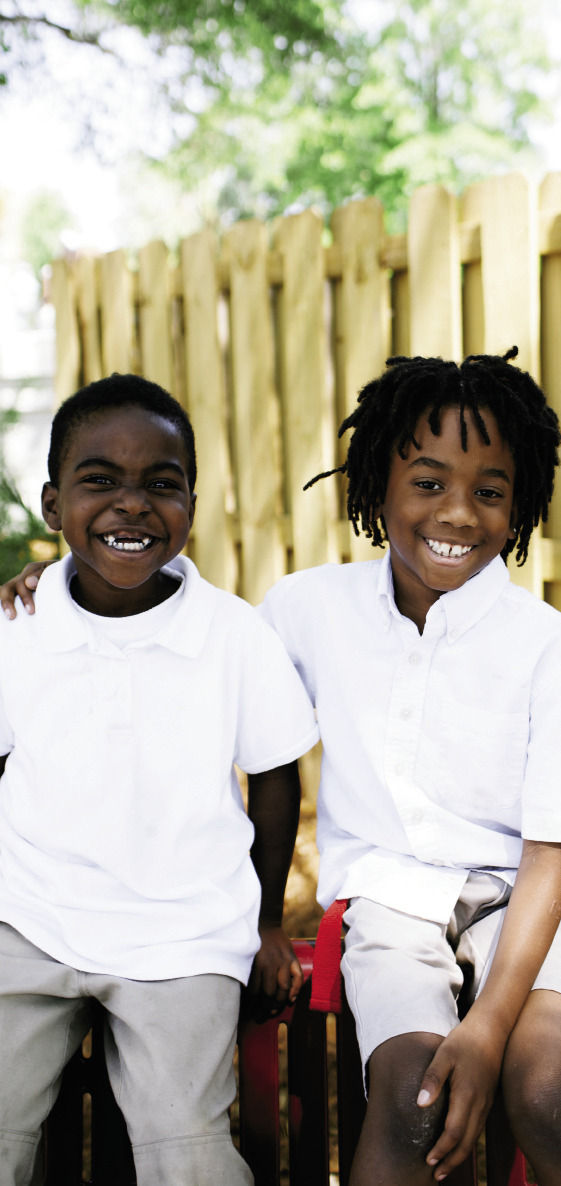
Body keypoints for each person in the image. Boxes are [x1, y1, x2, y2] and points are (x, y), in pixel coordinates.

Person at [6, 350, 561, 1186]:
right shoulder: (304, 611)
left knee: (544, 1088)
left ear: (520, 508)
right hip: (387, 907)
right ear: (375, 487)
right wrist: (56, 589)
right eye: (428, 482)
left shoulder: (549, 650)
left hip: (521, 904)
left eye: (489, 492)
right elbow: (160, 628)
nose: (457, 513)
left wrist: (484, 1031)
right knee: (412, 1099)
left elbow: (551, 851)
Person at [0, 374, 319, 1186]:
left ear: (192, 505)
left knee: (187, 1150)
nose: (131, 505)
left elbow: (275, 779)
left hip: (181, 936)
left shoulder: (235, 636)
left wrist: (268, 919)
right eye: (99, 480)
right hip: (28, 920)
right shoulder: (18, 627)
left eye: (160, 485)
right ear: (51, 504)